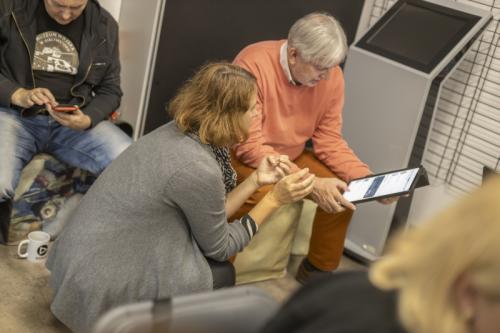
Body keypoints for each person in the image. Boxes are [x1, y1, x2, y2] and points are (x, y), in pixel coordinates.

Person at [46, 62, 315, 333]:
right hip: (101, 283)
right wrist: (274, 200)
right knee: (220, 273)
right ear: (229, 115)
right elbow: (221, 247)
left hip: (83, 262)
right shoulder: (197, 167)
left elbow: (212, 212)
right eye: (251, 107)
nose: (258, 112)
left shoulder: (179, 131)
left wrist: (256, 180)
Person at [231, 12, 398, 283]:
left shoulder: (331, 77)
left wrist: (366, 178)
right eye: (320, 67)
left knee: (343, 194)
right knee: (256, 192)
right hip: (246, 155)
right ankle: (218, 270)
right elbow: (249, 147)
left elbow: (330, 140)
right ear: (294, 54)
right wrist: (311, 183)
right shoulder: (253, 63)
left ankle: (317, 272)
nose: (325, 76)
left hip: (291, 155)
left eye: (331, 67)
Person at [260, 176, 500, 333]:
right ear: (468, 294)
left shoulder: (343, 288)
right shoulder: (357, 317)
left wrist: (363, 180)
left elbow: (330, 138)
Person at [0, 0, 132, 241]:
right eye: (58, 5)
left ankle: (84, 226)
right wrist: (17, 94)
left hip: (72, 122)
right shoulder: (9, 10)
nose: (66, 14)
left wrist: (88, 118)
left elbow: (111, 91)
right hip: (15, 115)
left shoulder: (104, 25)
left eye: (76, 8)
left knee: (132, 163)